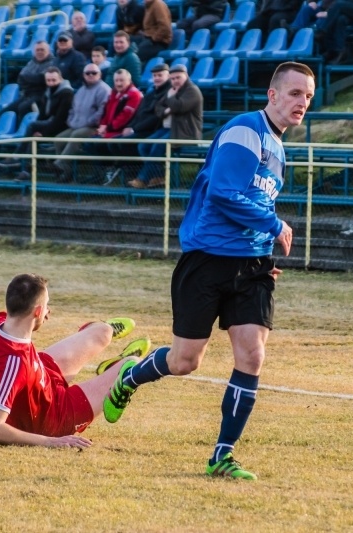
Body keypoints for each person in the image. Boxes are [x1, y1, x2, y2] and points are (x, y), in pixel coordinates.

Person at [102, 62, 315, 480]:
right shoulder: (244, 132)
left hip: (252, 266)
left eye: (307, 96)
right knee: (185, 361)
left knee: (252, 354)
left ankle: (222, 454)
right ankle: (129, 376)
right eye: (294, 94)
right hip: (208, 259)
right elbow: (223, 192)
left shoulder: (278, 146)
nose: (301, 103)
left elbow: (256, 202)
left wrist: (263, 256)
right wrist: (274, 226)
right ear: (272, 95)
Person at [0, 273, 152, 447]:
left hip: (40, 374)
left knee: (104, 332)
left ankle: (106, 352)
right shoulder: (13, 363)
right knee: (134, 363)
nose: (48, 312)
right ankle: (117, 383)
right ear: (37, 311)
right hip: (54, 417)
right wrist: (50, 441)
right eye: (46, 306)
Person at [128, 64, 203, 189]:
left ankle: (142, 179)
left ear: (186, 76)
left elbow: (179, 106)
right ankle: (158, 176)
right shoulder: (172, 90)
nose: (175, 81)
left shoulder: (192, 91)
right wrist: (167, 110)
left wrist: (170, 102)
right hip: (167, 129)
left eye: (178, 78)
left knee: (157, 146)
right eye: (172, 79)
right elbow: (158, 108)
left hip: (185, 132)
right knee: (143, 145)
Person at [101, 62, 172, 183]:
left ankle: (137, 173)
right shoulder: (151, 93)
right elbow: (139, 114)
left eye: (160, 75)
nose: (157, 78)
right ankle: (128, 171)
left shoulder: (169, 93)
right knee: (113, 143)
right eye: (155, 76)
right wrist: (130, 126)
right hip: (139, 128)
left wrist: (134, 129)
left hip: (151, 130)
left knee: (125, 143)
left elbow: (156, 118)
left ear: (167, 76)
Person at [0, 67, 74, 178]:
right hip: (51, 124)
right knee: (33, 135)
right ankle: (25, 170)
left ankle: (17, 158)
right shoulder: (48, 92)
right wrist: (40, 131)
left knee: (33, 126)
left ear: (60, 79)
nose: (51, 83)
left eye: (54, 80)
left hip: (63, 126)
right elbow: (42, 114)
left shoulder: (67, 93)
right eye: (48, 80)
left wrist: (44, 133)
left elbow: (61, 118)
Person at [49, 64, 112, 181]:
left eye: (94, 73)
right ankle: (66, 173)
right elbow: (72, 109)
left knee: (76, 135)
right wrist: (71, 121)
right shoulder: (81, 90)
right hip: (76, 125)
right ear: (84, 75)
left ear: (100, 74)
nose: (91, 75)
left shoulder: (104, 90)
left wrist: (87, 122)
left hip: (94, 127)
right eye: (88, 73)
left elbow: (102, 111)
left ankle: (60, 163)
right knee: (58, 139)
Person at [83, 68, 143, 182]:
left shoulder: (134, 94)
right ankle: (100, 173)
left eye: (122, 80)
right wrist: (102, 126)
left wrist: (108, 128)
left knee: (103, 144)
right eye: (116, 81)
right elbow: (106, 112)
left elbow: (125, 116)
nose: (119, 83)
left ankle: (111, 170)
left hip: (119, 131)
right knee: (89, 143)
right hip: (109, 131)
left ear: (129, 81)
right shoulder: (114, 93)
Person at [3, 41, 56, 122]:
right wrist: (33, 79)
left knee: (23, 108)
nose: (39, 52)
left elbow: (42, 79)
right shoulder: (31, 62)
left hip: (42, 95)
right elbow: (20, 79)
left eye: (42, 50)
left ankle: (22, 133)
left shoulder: (53, 63)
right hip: (27, 94)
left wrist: (28, 78)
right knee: (6, 111)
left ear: (48, 51)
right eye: (37, 50)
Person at [134, 0, 173, 65]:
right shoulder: (148, 6)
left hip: (159, 42)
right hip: (148, 38)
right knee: (128, 43)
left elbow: (165, 27)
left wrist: (154, 38)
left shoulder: (158, 4)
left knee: (136, 55)